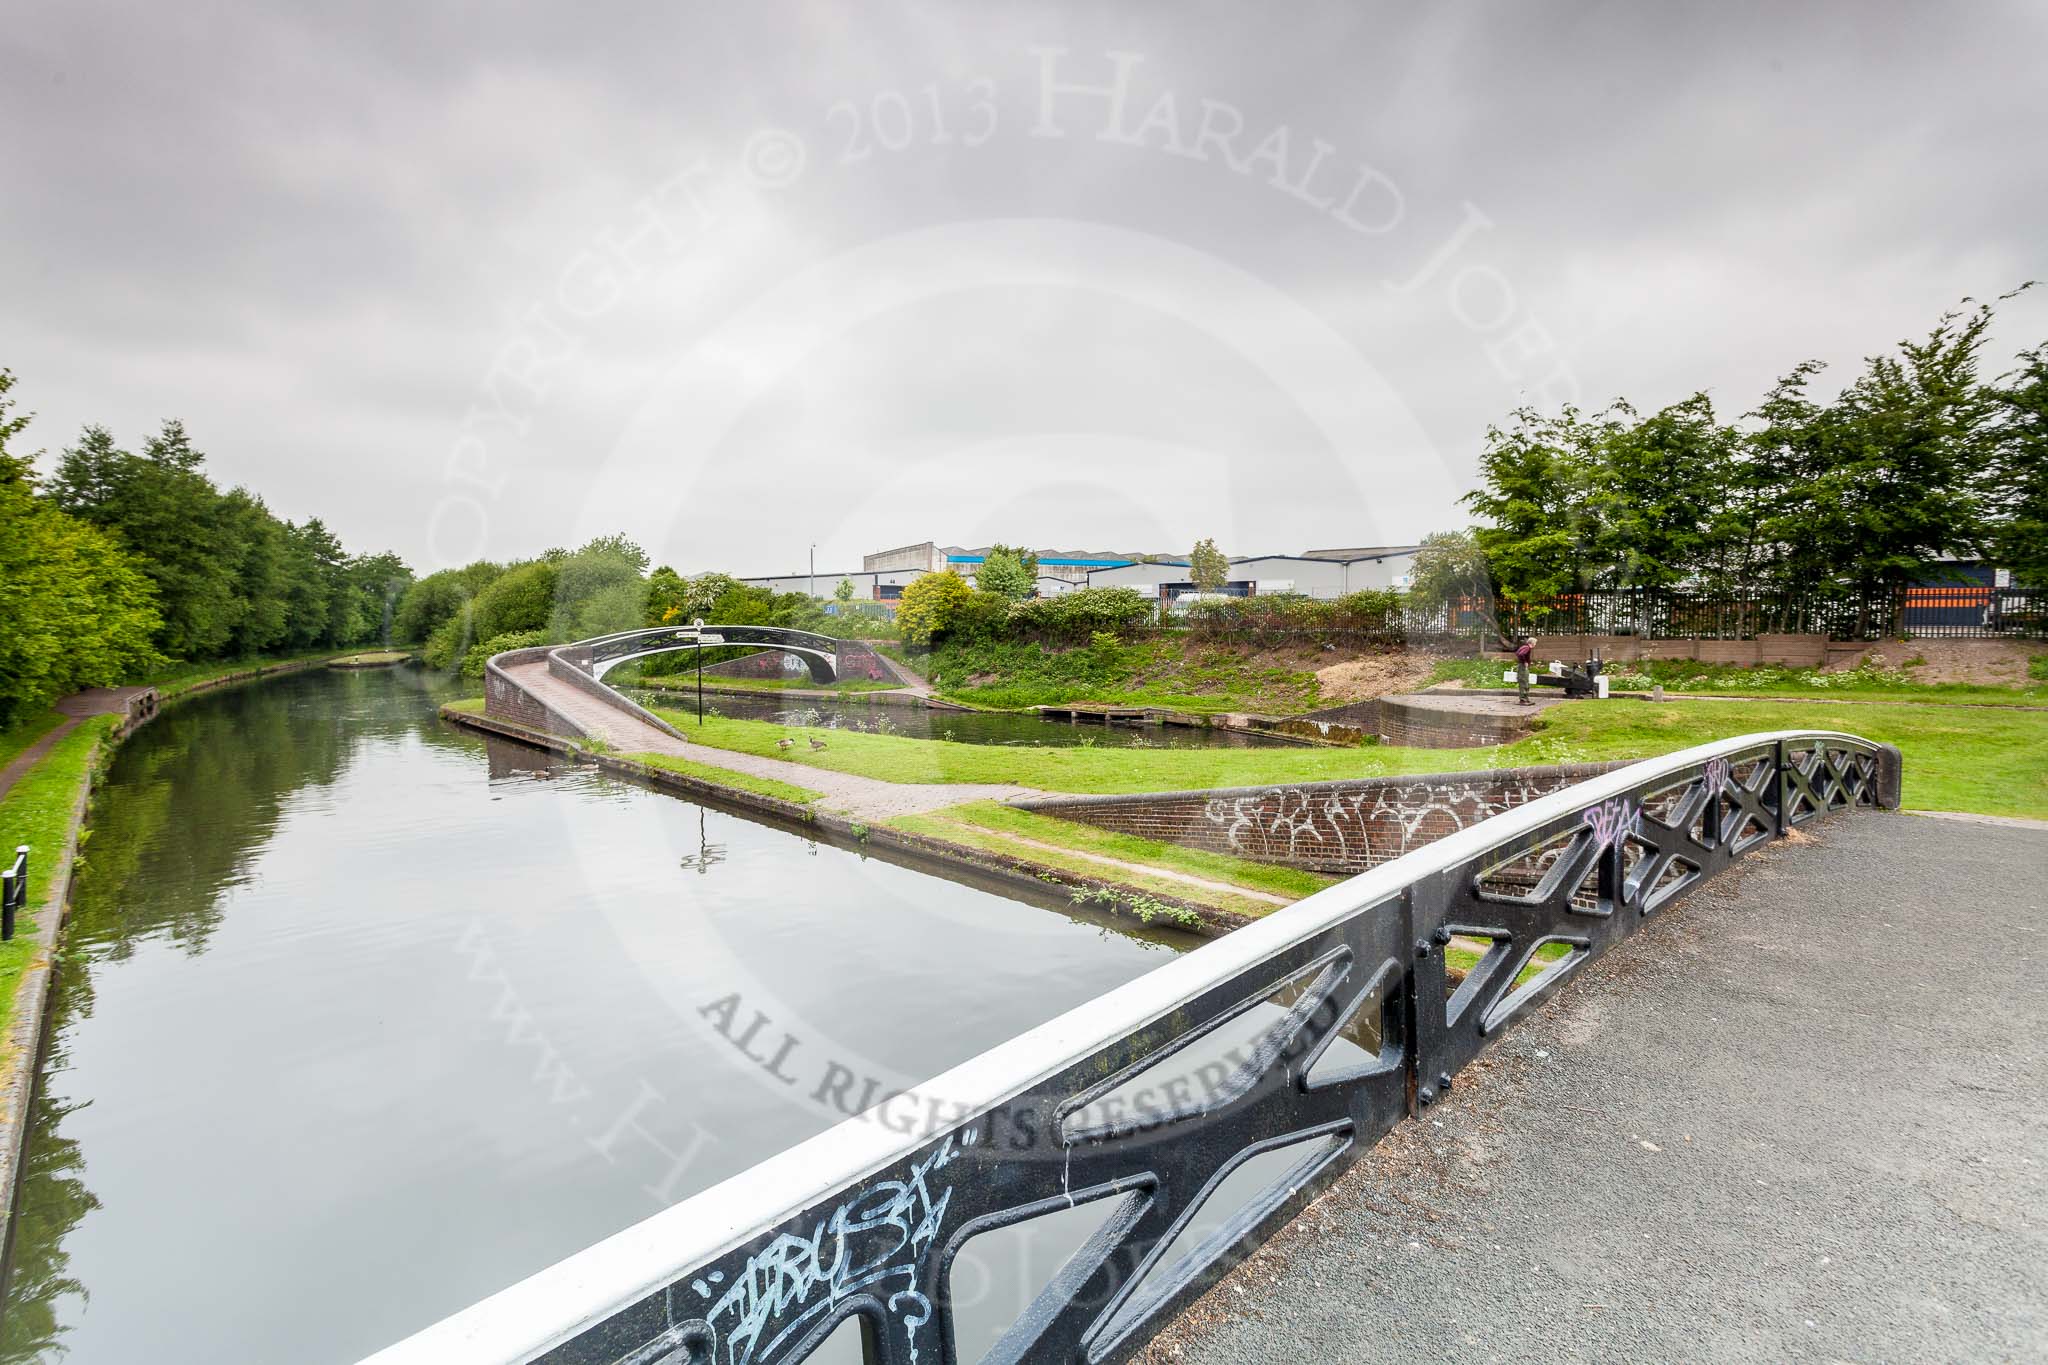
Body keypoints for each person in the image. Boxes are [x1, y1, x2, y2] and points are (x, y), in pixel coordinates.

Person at [1514, 635, 1535, 705]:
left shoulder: (1524, 647)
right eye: (1535, 643)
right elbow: (1520, 654)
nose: (1535, 644)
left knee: (1525, 682)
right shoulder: (1527, 648)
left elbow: (1517, 653)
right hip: (1522, 667)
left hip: (1521, 666)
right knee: (1524, 682)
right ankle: (1523, 700)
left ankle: (1525, 699)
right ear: (1532, 643)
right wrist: (1525, 662)